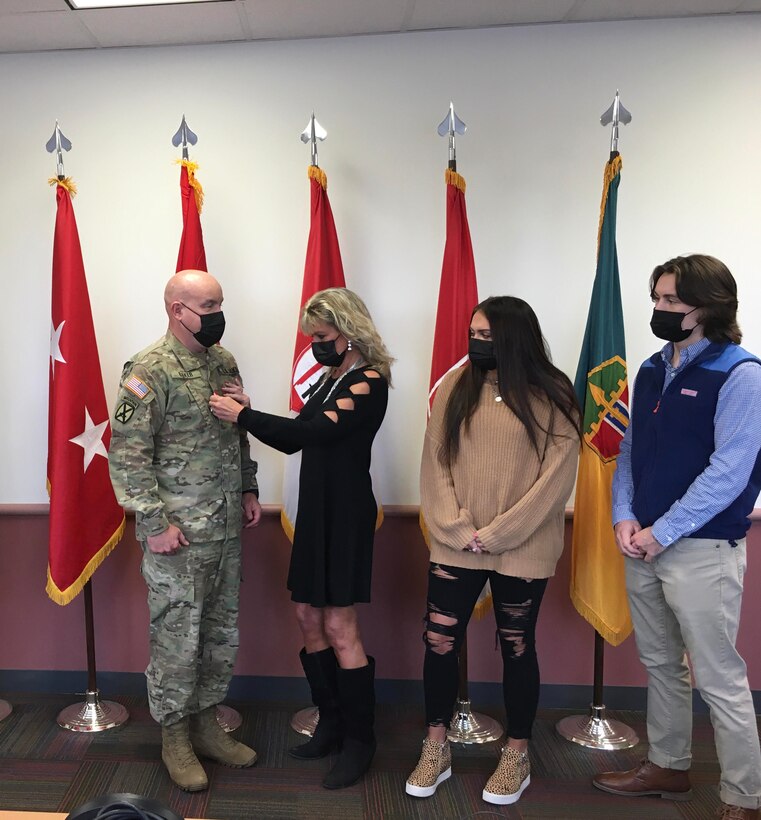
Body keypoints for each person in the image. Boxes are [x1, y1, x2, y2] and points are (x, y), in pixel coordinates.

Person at [593, 255, 761, 820]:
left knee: (719, 676)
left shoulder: (742, 374)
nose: (659, 310)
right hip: (642, 542)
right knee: (661, 663)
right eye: (657, 299)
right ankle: (667, 765)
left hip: (701, 549)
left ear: (707, 308)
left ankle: (742, 797)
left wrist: (663, 532)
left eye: (671, 302)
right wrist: (624, 516)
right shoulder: (648, 369)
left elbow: (730, 471)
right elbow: (631, 452)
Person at [209, 286, 392, 790]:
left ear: (350, 334)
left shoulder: (368, 381)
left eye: (324, 335)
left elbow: (307, 437)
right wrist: (251, 407)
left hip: (346, 515)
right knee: (307, 615)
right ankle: (330, 722)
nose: (316, 344)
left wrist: (243, 417)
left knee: (339, 624)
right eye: (313, 335)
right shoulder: (332, 379)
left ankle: (360, 740)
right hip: (316, 511)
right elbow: (298, 428)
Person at [405, 296, 581, 806]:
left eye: (485, 335)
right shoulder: (457, 386)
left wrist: (500, 533)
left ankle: (517, 752)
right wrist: (456, 527)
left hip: (522, 546)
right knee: (439, 639)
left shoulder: (554, 394)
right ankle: (435, 746)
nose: (476, 342)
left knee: (517, 644)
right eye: (472, 333)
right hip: (456, 542)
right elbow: (433, 462)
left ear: (513, 338)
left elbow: (556, 480)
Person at [108, 269, 261, 792]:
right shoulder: (148, 370)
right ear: (177, 309)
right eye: (207, 305)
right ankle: (174, 735)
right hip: (177, 534)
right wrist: (154, 524)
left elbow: (235, 433)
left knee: (219, 632)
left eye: (220, 302)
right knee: (177, 636)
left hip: (223, 528)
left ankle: (206, 724)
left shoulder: (223, 361)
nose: (218, 314)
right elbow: (129, 457)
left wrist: (247, 489)